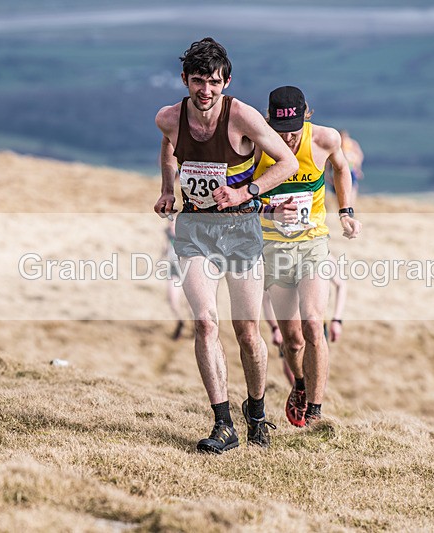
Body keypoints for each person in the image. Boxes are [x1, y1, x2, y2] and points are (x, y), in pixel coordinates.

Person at [154, 38, 298, 454]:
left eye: (213, 82)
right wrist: (168, 189)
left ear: (226, 81)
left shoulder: (243, 116)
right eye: (197, 81)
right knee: (204, 322)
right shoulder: (169, 118)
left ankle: (256, 414)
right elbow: (167, 145)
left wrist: (246, 192)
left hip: (240, 229)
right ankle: (223, 424)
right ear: (185, 80)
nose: (205, 90)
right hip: (195, 229)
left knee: (248, 331)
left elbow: (286, 163)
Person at [254, 86, 361, 427]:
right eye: (281, 132)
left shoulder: (325, 139)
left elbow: (341, 169)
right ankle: (300, 383)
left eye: (294, 131)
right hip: (274, 246)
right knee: (293, 339)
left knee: (314, 324)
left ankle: (315, 411)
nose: (286, 140)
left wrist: (345, 211)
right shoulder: (256, 143)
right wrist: (270, 212)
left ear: (307, 116)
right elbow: (239, 197)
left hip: (313, 242)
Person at [263, 252, 347, 387]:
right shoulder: (281, 256)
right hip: (289, 322)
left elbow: (341, 285)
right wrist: (275, 328)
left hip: (316, 323)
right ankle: (300, 393)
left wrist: (337, 320)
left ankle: (315, 404)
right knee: (292, 364)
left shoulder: (324, 256)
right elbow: (266, 298)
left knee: (319, 367)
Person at [162, 217, 187, 340]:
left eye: (174, 221)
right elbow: (164, 250)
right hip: (174, 269)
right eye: (169, 220)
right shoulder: (167, 233)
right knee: (172, 299)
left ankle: (197, 326)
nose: (171, 223)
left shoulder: (187, 233)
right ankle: (180, 322)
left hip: (189, 270)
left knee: (192, 304)